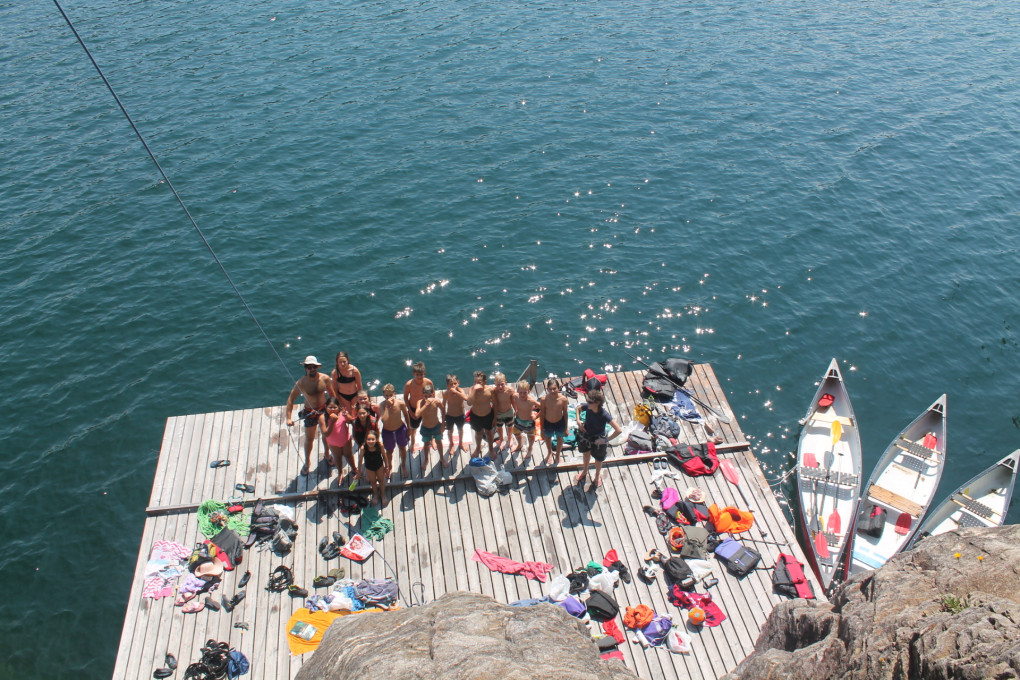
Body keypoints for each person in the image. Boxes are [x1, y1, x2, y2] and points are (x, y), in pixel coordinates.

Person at [285, 356, 332, 476]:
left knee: (326, 435)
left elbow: (333, 395)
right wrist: (288, 418)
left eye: (314, 367)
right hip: (309, 412)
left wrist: (336, 409)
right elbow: (290, 400)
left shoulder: (325, 378)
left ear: (317, 367)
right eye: (309, 367)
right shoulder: (301, 383)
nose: (312, 369)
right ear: (305, 368)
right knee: (309, 439)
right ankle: (307, 462)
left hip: (323, 410)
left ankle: (327, 454)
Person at [575, 388, 622, 488]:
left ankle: (597, 476)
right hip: (587, 434)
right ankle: (585, 470)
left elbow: (618, 430)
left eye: (590, 402)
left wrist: (605, 440)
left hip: (599, 438)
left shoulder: (604, 414)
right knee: (586, 454)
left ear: (597, 403)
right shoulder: (588, 407)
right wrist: (578, 421)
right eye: (587, 401)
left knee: (598, 459)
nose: (588, 403)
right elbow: (578, 409)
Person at [319, 397, 356, 483]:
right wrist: (332, 422)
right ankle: (340, 472)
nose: (332, 410)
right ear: (326, 407)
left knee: (349, 456)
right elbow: (326, 434)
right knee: (337, 457)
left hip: (345, 440)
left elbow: (351, 421)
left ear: (338, 407)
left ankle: (354, 469)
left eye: (334, 407)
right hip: (333, 443)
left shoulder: (341, 413)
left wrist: (347, 415)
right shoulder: (322, 418)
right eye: (330, 407)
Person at [379, 383, 411, 478]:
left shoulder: (400, 403)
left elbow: (406, 415)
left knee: (402, 448)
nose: (388, 397)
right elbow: (383, 420)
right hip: (388, 432)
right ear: (383, 395)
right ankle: (389, 466)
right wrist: (387, 408)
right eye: (386, 395)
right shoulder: (382, 405)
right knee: (389, 451)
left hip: (400, 429)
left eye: (390, 395)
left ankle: (403, 465)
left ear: (394, 394)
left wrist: (409, 428)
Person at [403, 361, 433, 456]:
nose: (419, 377)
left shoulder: (428, 382)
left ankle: (432, 440)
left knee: (429, 424)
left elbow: (433, 394)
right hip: (413, 408)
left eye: (421, 374)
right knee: (413, 428)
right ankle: (412, 443)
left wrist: (431, 407)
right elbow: (405, 397)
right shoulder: (409, 384)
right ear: (413, 374)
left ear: (424, 373)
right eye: (417, 375)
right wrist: (410, 411)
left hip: (425, 407)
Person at [539, 377, 569, 466]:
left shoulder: (563, 399)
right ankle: (549, 452)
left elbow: (565, 414)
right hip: (548, 422)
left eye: (554, 388)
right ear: (547, 389)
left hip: (559, 422)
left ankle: (558, 455)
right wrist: (541, 429)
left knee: (560, 438)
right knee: (547, 438)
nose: (552, 391)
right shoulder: (544, 399)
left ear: (558, 388)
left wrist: (566, 428)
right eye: (550, 389)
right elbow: (542, 414)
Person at [414, 383, 445, 472]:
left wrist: (443, 424)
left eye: (430, 396)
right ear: (422, 395)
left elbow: (443, 411)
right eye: (425, 396)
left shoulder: (437, 402)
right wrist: (426, 404)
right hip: (425, 428)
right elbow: (416, 415)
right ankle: (426, 459)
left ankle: (442, 458)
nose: (428, 398)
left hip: (436, 426)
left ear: (433, 394)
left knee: (439, 442)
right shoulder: (420, 402)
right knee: (426, 444)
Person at [510, 380, 540, 463]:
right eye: (521, 392)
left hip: (528, 422)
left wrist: (536, 416)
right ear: (518, 391)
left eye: (525, 393)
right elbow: (512, 398)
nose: (522, 395)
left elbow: (543, 407)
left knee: (531, 436)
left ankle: (530, 448)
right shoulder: (516, 396)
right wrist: (515, 409)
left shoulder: (531, 401)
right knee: (516, 433)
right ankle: (520, 444)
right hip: (518, 419)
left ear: (528, 392)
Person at [466, 370, 495, 457]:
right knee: (478, 433)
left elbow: (495, 404)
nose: (476, 384)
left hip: (488, 415)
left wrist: (495, 418)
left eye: (479, 382)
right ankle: (478, 448)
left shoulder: (490, 390)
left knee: (489, 432)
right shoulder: (472, 389)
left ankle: (491, 449)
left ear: (485, 382)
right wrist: (475, 390)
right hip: (476, 416)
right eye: (475, 382)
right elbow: (469, 403)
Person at [442, 374, 469, 464]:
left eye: (455, 383)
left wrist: (456, 392)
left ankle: (461, 442)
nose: (453, 386)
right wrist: (443, 418)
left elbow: (466, 398)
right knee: (450, 431)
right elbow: (443, 405)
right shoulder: (446, 393)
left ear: (458, 383)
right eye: (451, 384)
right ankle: (451, 444)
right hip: (450, 415)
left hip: (460, 415)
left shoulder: (460, 391)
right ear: (447, 385)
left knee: (460, 430)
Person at [358, 429, 388, 506]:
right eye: (369, 439)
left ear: (376, 439)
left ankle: (383, 494)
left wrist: (387, 466)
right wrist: (359, 471)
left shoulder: (380, 445)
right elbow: (360, 460)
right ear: (365, 440)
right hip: (369, 468)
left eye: (373, 439)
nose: (370, 441)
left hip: (379, 466)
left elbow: (384, 456)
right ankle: (376, 495)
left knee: (381, 480)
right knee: (373, 482)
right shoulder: (363, 448)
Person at [491, 372, 515, 455]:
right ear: (495, 384)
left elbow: (513, 401)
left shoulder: (510, 390)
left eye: (502, 384)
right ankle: (501, 440)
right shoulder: (493, 392)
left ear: (506, 383)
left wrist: (516, 410)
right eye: (498, 385)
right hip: (498, 413)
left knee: (510, 426)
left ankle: (510, 438)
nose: (500, 387)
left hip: (508, 411)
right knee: (499, 428)